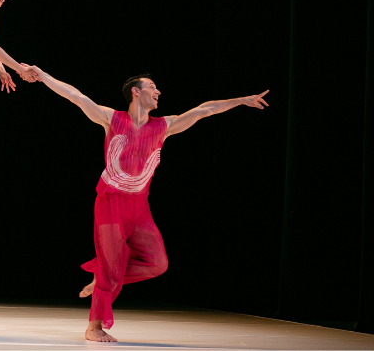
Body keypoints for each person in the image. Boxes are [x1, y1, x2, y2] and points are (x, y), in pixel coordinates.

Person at [23, 67, 269, 343]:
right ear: (135, 92)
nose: (158, 91)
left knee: (158, 263)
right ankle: (94, 326)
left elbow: (204, 110)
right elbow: (75, 96)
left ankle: (104, 276)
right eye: (152, 86)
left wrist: (241, 100)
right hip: (111, 205)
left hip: (139, 208)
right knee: (111, 268)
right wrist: (43, 75)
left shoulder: (164, 126)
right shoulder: (111, 118)